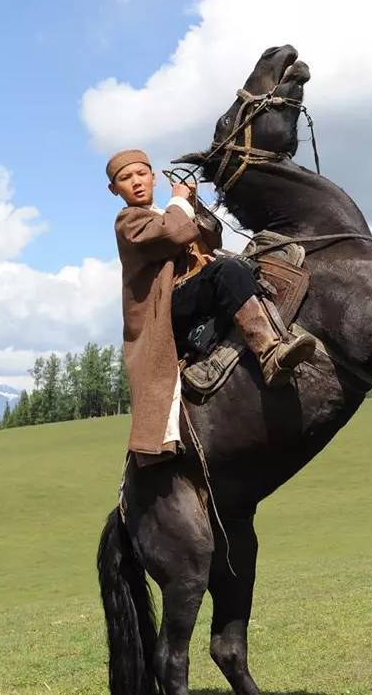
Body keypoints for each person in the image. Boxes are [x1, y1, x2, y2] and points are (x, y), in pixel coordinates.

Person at [108, 149, 315, 465]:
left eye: (140, 174)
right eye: (125, 179)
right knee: (226, 272)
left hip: (189, 295)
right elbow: (174, 232)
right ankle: (270, 354)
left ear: (152, 176)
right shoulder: (129, 221)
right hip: (166, 309)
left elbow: (210, 237)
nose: (135, 182)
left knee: (250, 267)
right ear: (115, 190)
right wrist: (179, 200)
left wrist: (193, 204)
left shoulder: (167, 213)